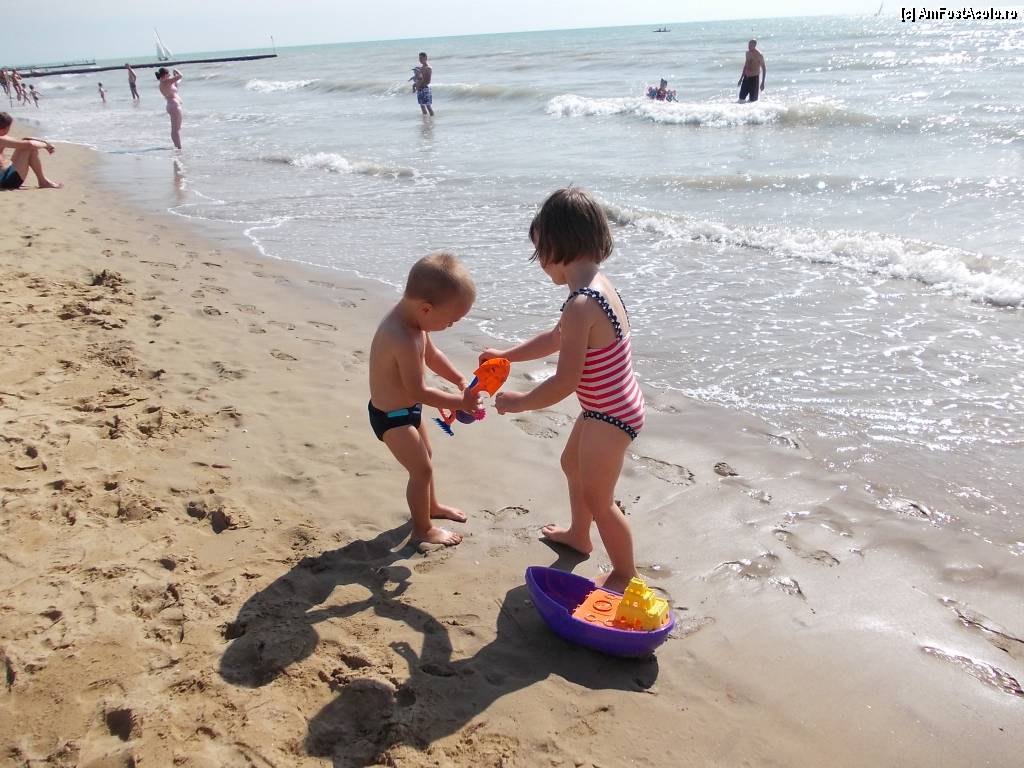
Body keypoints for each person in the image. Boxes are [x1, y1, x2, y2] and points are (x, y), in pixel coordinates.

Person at [479, 188, 645, 593]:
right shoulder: (594, 288)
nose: (540, 263)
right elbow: (556, 338)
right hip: (608, 405)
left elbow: (565, 382)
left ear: (557, 245)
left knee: (599, 497)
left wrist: (520, 402)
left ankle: (625, 573)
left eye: (540, 251)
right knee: (573, 464)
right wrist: (506, 355)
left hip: (611, 414)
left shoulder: (581, 305)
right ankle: (578, 535)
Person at [368, 251, 482, 547]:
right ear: (427, 309)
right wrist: (461, 403)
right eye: (451, 321)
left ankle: (431, 506)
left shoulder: (416, 323)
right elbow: (418, 390)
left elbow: (433, 356)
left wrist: (459, 380)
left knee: (426, 457)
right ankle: (423, 529)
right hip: (391, 418)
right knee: (421, 470)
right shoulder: (401, 337)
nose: (451, 326)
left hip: (408, 411)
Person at [0, 112, 63, 189]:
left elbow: (24, 140)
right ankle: (43, 182)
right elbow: (30, 144)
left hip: (5, 175)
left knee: (26, 146)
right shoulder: (1, 139)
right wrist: (46, 145)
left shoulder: (2, 138)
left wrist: (46, 143)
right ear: (4, 129)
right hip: (5, 182)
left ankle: (43, 181)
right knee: (29, 147)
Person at [156, 67, 184, 149]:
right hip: (174, 106)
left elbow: (176, 83)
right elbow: (181, 76)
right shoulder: (167, 81)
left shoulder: (162, 83)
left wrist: (174, 76)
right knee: (176, 129)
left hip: (170, 105)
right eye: (168, 73)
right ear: (165, 74)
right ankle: (179, 148)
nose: (169, 75)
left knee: (175, 128)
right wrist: (176, 70)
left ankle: (177, 147)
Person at [412, 52, 434, 117]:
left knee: (428, 106)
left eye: (421, 58)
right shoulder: (420, 68)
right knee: (422, 106)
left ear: (425, 58)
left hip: (425, 88)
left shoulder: (428, 68)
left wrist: (420, 85)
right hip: (419, 89)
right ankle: (426, 120)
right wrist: (416, 84)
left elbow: (428, 81)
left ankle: (432, 119)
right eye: (419, 58)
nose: (420, 59)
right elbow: (419, 78)